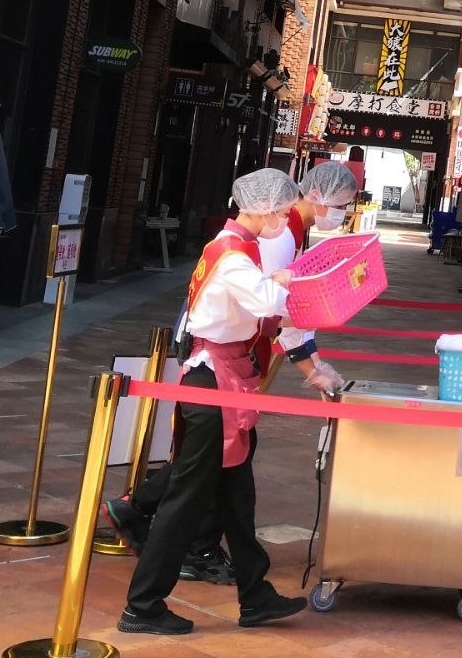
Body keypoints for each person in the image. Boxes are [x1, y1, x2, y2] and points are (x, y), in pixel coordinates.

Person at [117, 170, 341, 637]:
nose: (285, 218)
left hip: (225, 377)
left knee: (238, 497)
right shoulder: (233, 255)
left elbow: (264, 308)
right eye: (282, 211)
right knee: (185, 500)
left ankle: (255, 594)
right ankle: (142, 605)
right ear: (263, 209)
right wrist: (307, 284)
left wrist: (284, 285)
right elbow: (270, 302)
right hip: (212, 381)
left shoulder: (238, 247)